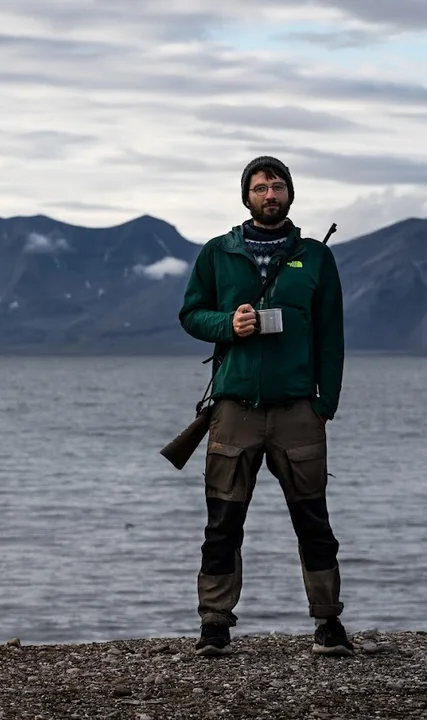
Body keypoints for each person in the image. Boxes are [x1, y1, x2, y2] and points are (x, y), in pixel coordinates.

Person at [177, 156, 352, 657]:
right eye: (259, 187)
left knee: (313, 522)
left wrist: (326, 404)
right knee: (223, 523)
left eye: (277, 186)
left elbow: (331, 337)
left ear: (291, 194)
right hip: (234, 409)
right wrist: (227, 325)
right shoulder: (217, 253)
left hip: (299, 410)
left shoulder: (316, 257)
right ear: (246, 196)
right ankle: (214, 626)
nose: (269, 194)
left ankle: (328, 623)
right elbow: (191, 314)